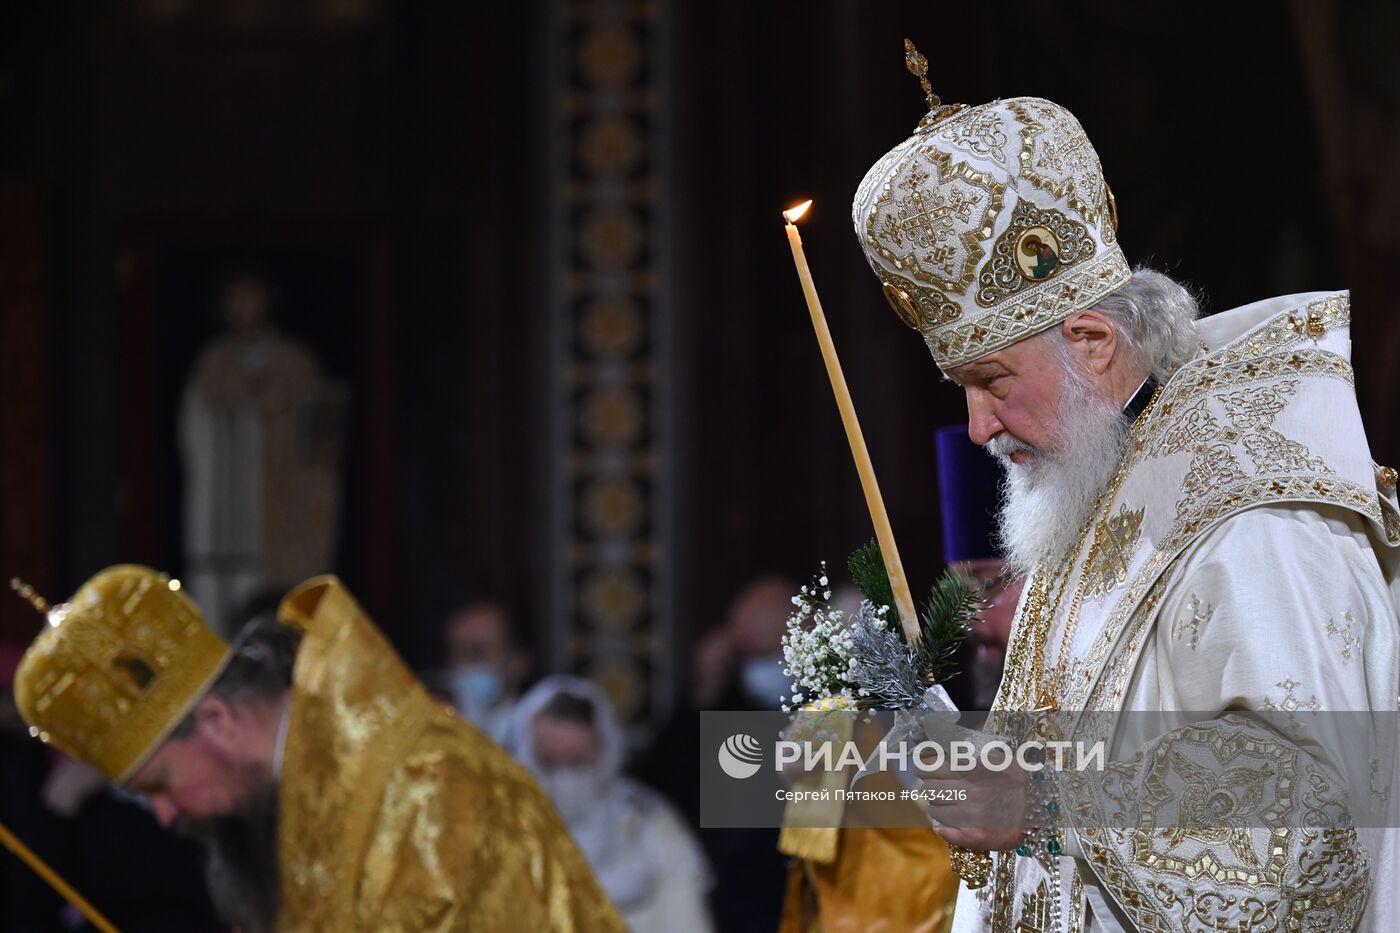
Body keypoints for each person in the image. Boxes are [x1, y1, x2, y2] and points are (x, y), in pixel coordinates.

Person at [849, 43, 1398, 931]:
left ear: (1094, 343)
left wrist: (1044, 800)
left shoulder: (1255, 512)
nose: (979, 426)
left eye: (991, 381)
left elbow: (1318, 823)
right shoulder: (1095, 488)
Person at [12, 565, 624, 932]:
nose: (166, 815)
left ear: (219, 720)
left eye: (159, 786)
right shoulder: (291, 800)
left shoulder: (429, 790)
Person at [178, 268, 346, 634]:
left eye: (252, 297)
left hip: (279, 509)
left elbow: (319, 434)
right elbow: (196, 425)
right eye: (237, 299)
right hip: (226, 519)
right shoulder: (215, 360)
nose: (245, 308)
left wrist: (276, 414)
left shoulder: (294, 360)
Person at [512, 675, 715, 933]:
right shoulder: (506, 830)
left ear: (605, 750)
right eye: (550, 765)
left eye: (577, 763)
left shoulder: (653, 825)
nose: (566, 780)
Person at [439, 600, 531, 743]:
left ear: (518, 663)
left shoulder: (535, 739)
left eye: (476, 652)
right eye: (455, 652)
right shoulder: (435, 732)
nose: (461, 664)